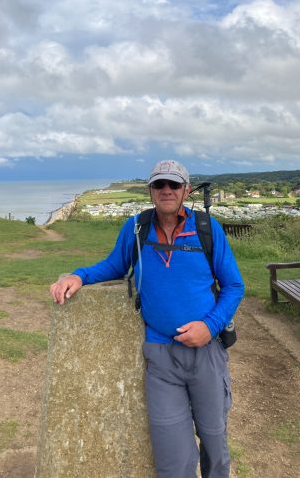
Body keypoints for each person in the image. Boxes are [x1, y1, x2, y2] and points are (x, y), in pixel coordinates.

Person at [50, 160, 245, 478]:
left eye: (173, 184)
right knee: (173, 459)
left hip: (207, 354)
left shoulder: (208, 229)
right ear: (150, 190)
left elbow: (234, 286)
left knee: (214, 443)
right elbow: (115, 265)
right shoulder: (137, 228)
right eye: (159, 185)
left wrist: (209, 327)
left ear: (186, 189)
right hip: (161, 359)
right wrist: (78, 276)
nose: (166, 190)